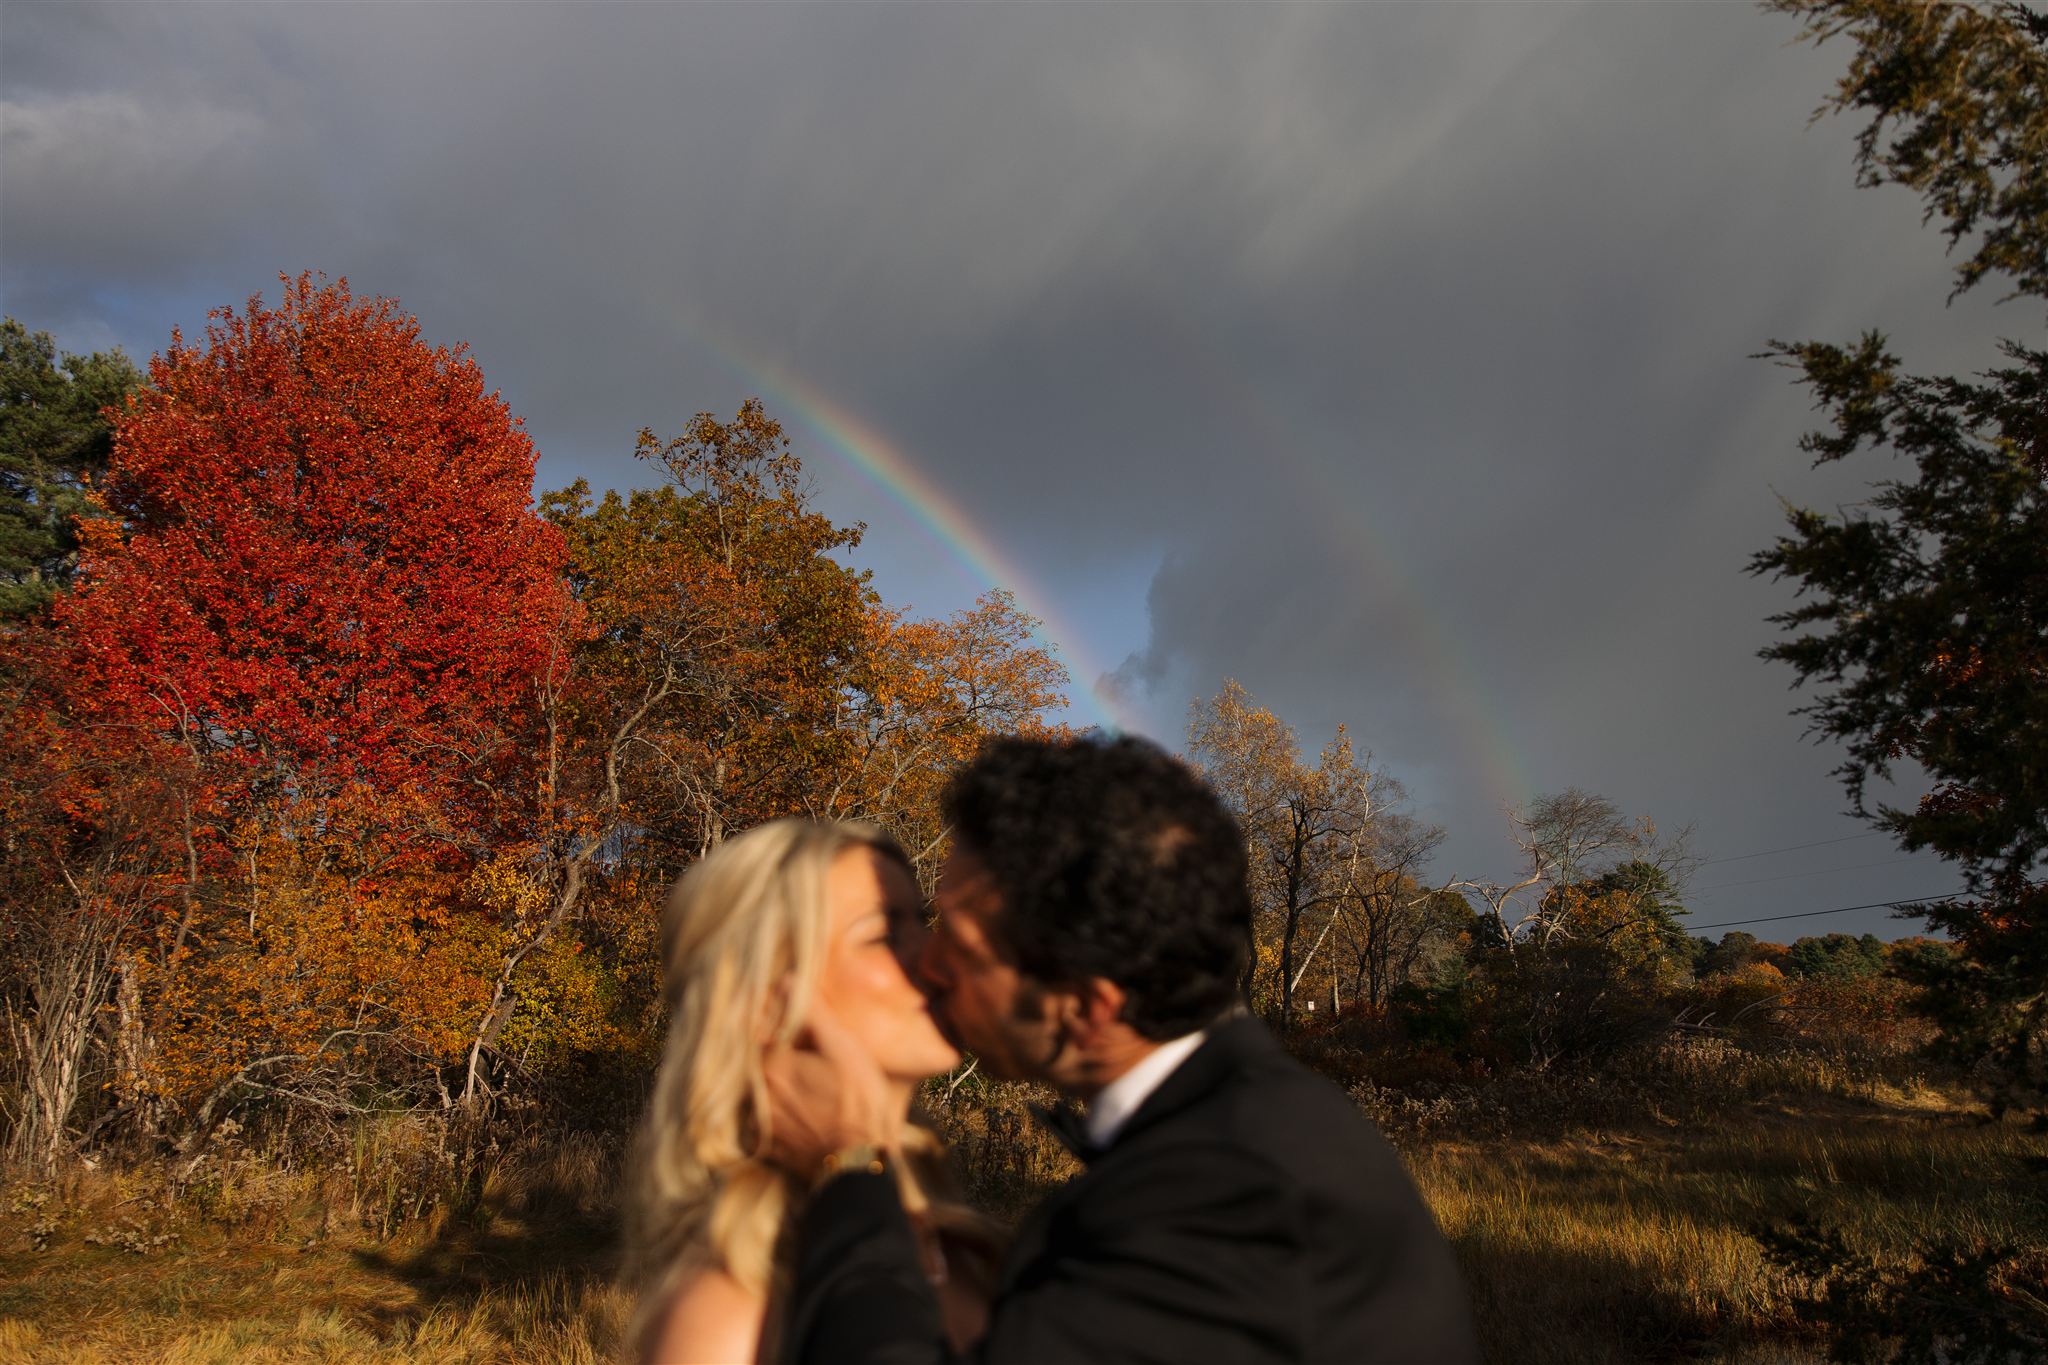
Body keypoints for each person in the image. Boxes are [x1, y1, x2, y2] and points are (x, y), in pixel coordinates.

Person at [772, 734, 1482, 1364]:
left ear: (1086, 1008)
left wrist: (852, 1161)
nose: (926, 964)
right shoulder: (1252, 1122)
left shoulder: (1225, 1198)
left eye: (958, 942)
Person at [623, 818, 1000, 1365]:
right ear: (766, 1004)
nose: (937, 957)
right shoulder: (730, 1322)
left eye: (922, 921)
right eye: (884, 935)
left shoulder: (973, 1250)